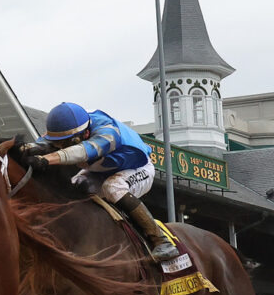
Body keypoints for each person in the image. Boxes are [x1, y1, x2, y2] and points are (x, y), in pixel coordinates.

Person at [20, 101, 176, 261]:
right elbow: (41, 144)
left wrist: (46, 159)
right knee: (75, 186)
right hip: (101, 171)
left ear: (85, 134)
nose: (60, 147)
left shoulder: (107, 132)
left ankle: (160, 240)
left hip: (139, 168)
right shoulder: (73, 127)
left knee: (113, 187)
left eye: (65, 143)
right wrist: (18, 147)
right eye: (58, 143)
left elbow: (80, 152)